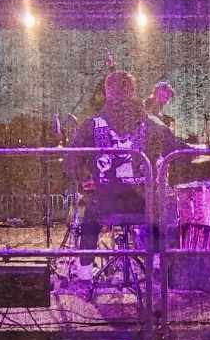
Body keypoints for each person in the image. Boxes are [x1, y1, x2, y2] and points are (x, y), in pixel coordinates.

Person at [65, 71, 185, 272]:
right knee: (159, 205)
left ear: (106, 92)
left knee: (91, 209)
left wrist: (85, 177)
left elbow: (70, 161)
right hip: (143, 205)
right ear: (133, 92)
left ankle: (85, 270)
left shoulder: (90, 125)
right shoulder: (153, 124)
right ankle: (157, 261)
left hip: (106, 204)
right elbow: (176, 151)